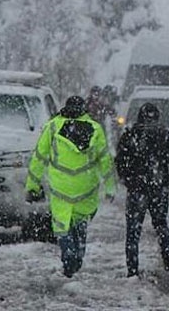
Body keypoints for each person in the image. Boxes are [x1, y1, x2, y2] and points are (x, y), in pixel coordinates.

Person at [25, 96, 116, 278]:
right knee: (80, 224)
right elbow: (104, 160)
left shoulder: (52, 127)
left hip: (61, 187)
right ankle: (78, 256)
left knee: (62, 225)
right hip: (86, 187)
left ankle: (68, 257)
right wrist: (110, 187)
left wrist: (32, 186)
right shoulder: (95, 129)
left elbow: (39, 158)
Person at [114, 102, 169, 277]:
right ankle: (168, 262)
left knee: (133, 230)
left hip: (137, 189)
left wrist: (128, 179)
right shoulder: (164, 135)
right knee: (161, 224)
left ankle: (132, 269)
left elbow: (120, 161)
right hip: (158, 187)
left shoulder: (130, 135)